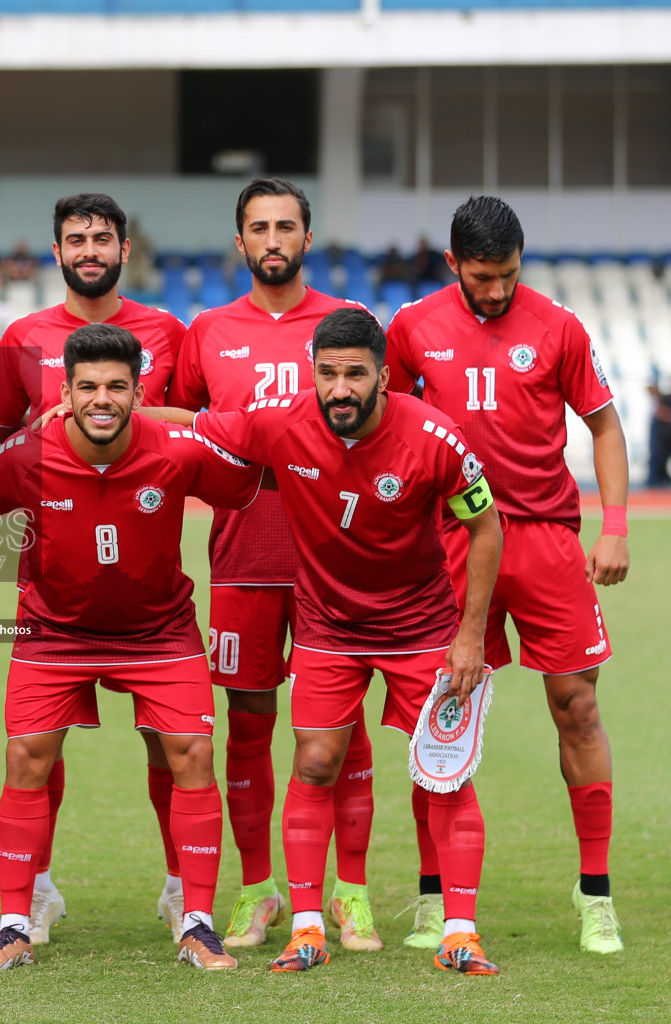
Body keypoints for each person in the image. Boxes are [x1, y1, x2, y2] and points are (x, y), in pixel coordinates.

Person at [177, 306, 504, 976]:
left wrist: (470, 636)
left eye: (356, 374)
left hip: (419, 627)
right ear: (313, 374)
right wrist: (105, 416)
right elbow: (193, 426)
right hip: (328, 626)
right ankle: (305, 929)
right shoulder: (280, 420)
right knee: (316, 761)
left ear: (385, 377)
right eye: (328, 374)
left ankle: (461, 933)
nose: (341, 389)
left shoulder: (436, 436)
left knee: (446, 773)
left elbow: (487, 528)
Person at [0, 324, 262, 974]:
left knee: (194, 755)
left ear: (139, 391)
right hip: (54, 631)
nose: (103, 399)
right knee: (25, 760)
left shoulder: (179, 450)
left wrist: (202, 421)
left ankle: (199, 926)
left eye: (117, 387)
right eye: (89, 386)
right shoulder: (27, 454)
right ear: (65, 392)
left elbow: (246, 478)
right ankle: (14, 925)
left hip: (159, 632)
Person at [385, 196, 630, 955]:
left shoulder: (557, 326)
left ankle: (596, 897)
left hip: (545, 539)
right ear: (453, 262)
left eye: (509, 276)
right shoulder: (413, 326)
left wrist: (615, 526)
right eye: (483, 277)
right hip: (451, 540)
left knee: (577, 708)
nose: (496, 292)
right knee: (442, 710)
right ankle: (434, 900)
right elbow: (386, 424)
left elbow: (605, 427)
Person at [166, 178, 381, 951]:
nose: (273, 239)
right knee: (249, 726)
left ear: (307, 238)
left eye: (286, 225)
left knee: (342, 731)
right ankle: (258, 891)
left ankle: (350, 894)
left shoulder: (347, 328)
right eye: (259, 227)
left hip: (338, 561)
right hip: (243, 558)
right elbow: (183, 428)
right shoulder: (208, 331)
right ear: (241, 243)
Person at [0, 192, 184, 944]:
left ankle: (180, 887)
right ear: (55, 252)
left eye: (102, 238)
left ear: (126, 248)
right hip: (47, 581)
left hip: (147, 583)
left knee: (169, 741)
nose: (89, 249)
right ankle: (36, 891)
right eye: (75, 239)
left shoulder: (167, 332)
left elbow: (199, 432)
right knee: (36, 743)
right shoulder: (23, 337)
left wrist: (130, 415)